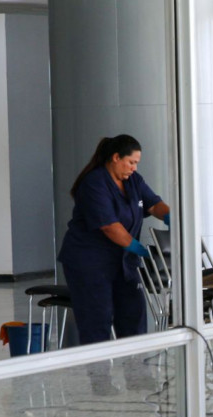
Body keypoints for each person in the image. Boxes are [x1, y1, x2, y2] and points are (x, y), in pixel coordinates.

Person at [58, 134, 170, 396]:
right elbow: (109, 226)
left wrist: (172, 217)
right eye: (131, 162)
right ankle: (100, 381)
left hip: (122, 262)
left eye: (137, 163)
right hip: (89, 262)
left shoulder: (132, 181)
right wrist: (135, 246)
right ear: (115, 158)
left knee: (133, 315)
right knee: (97, 318)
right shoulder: (94, 183)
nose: (134, 168)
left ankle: (137, 377)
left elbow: (154, 203)